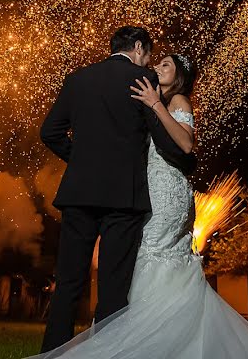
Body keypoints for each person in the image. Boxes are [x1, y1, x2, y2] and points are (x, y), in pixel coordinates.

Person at [32, 44, 248, 358]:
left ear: (178, 77)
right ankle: (149, 338)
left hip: (167, 194)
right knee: (140, 260)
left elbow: (185, 143)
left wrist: (156, 105)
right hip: (148, 189)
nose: (158, 67)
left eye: (166, 65)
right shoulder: (151, 101)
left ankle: (143, 342)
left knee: (151, 254)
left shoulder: (177, 100)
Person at [38, 26, 194, 353]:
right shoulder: (142, 79)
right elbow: (165, 139)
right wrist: (179, 150)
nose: (149, 63)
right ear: (138, 47)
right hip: (123, 198)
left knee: (67, 283)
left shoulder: (77, 79)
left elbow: (50, 131)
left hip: (79, 194)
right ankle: (105, 354)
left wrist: (79, 160)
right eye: (149, 54)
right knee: (112, 287)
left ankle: (53, 353)